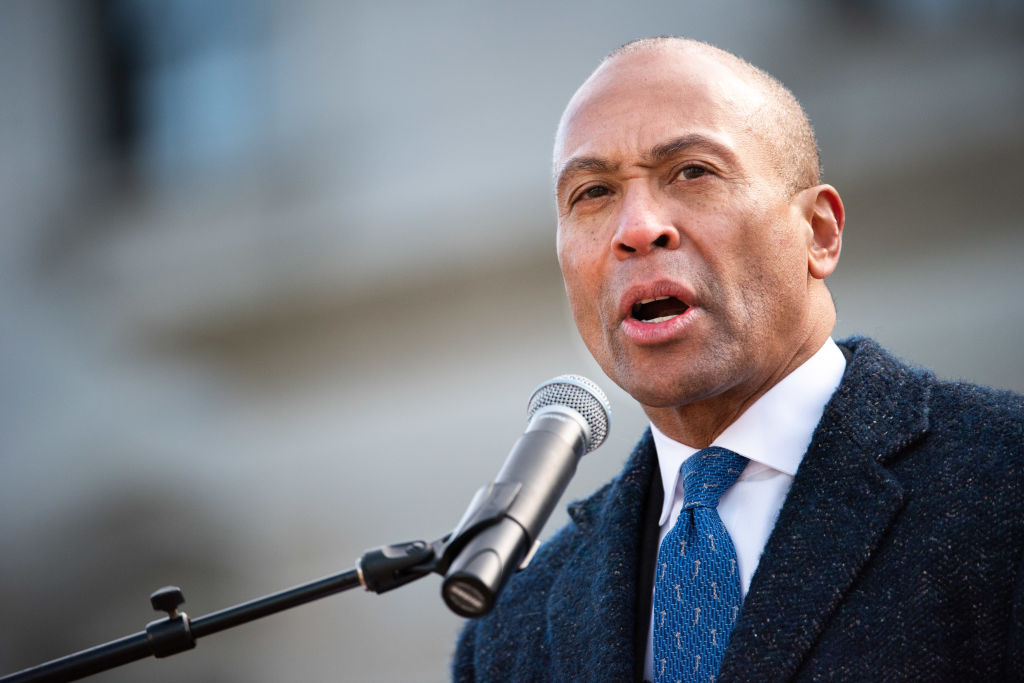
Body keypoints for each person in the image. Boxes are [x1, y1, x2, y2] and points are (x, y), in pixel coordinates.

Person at [452, 36, 1024, 682]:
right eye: (592, 193)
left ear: (819, 232)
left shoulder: (1004, 481)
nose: (637, 228)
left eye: (692, 172)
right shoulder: (509, 630)